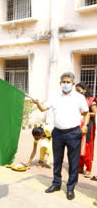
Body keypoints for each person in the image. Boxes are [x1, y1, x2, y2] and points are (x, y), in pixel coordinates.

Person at [33, 72, 89, 200]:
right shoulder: (55, 97)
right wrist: (37, 103)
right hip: (57, 132)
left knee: (73, 162)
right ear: (60, 83)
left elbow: (86, 113)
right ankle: (56, 183)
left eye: (68, 82)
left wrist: (85, 125)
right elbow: (43, 108)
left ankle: (70, 188)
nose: (65, 84)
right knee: (57, 160)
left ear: (73, 84)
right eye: (63, 82)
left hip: (73, 133)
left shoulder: (79, 97)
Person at [75, 82, 96, 179]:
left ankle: (88, 169)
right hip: (77, 125)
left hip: (88, 125)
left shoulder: (90, 100)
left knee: (86, 146)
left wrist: (84, 113)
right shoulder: (76, 100)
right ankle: (80, 167)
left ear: (85, 90)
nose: (77, 93)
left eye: (79, 91)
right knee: (78, 146)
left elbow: (94, 113)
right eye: (76, 91)